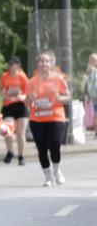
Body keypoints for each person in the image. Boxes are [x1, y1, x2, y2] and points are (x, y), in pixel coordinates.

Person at [27, 50, 71, 186]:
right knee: (42, 149)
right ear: (37, 64)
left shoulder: (58, 79)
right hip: (37, 119)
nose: (44, 63)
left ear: (51, 63)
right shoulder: (32, 81)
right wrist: (30, 98)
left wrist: (60, 98)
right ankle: (48, 177)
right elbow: (26, 102)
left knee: (55, 144)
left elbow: (67, 96)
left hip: (56, 117)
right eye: (41, 61)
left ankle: (57, 170)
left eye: (46, 61)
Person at [0, 56, 31, 165]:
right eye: (9, 64)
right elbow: (2, 91)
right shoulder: (4, 76)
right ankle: (10, 152)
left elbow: (28, 90)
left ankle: (21, 156)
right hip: (8, 106)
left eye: (13, 64)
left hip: (21, 106)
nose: (10, 66)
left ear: (18, 66)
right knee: (7, 131)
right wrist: (7, 96)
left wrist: (22, 96)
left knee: (20, 133)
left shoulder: (22, 77)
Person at [83, 53, 97, 136]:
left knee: (96, 114)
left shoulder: (90, 70)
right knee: (95, 114)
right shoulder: (89, 71)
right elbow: (84, 85)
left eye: (95, 60)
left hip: (93, 96)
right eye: (93, 60)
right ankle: (96, 132)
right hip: (94, 96)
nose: (94, 62)